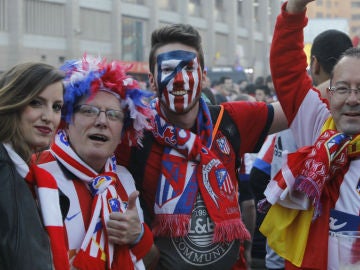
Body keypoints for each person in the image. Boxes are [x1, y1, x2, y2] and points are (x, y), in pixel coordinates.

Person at [115, 23, 287, 269]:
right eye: (167, 69)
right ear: (152, 81)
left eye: (188, 68)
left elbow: (299, 106)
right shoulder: (134, 133)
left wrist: (291, 14)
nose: (179, 80)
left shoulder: (228, 121)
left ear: (204, 76)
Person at [259, 0, 360, 269]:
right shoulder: (318, 125)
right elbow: (287, 71)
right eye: (342, 88)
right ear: (328, 93)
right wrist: (294, 8)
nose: (352, 99)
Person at [37, 55, 157, 269]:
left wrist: (138, 236)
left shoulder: (123, 178)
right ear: (67, 120)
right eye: (89, 111)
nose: (101, 121)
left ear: (122, 131)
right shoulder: (38, 173)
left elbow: (148, 261)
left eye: (113, 115)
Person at [0, 62, 64, 269]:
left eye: (56, 107)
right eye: (36, 103)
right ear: (14, 101)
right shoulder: (4, 171)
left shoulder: (31, 177)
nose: (48, 117)